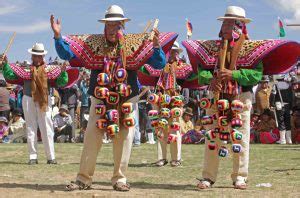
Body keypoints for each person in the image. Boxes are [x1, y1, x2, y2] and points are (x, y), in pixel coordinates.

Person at [50, 5, 172, 191]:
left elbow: (159, 63)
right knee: (92, 136)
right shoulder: (92, 43)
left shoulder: (135, 45)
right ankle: (83, 179)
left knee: (124, 138)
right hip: (99, 98)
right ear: (104, 27)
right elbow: (68, 54)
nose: (113, 30)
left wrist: (156, 46)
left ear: (122, 26)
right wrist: (58, 37)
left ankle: (119, 179)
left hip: (127, 98)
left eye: (116, 26)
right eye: (109, 25)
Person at [182, 5, 300, 190]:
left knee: (240, 137)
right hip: (215, 97)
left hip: (240, 97)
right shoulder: (212, 47)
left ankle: (240, 177)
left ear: (238, 26)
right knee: (212, 137)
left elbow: (255, 75)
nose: (225, 27)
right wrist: (212, 78)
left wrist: (233, 75)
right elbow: (200, 72)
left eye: (229, 23)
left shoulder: (250, 49)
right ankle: (208, 177)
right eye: (224, 23)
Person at [0, 43, 78, 165]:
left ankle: (51, 157)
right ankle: (33, 157)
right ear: (32, 56)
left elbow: (61, 82)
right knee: (31, 126)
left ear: (42, 57)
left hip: (44, 99)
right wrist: (5, 64)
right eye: (35, 55)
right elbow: (10, 75)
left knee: (47, 127)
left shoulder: (50, 70)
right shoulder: (25, 69)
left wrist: (63, 72)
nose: (37, 58)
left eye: (39, 56)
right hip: (28, 98)